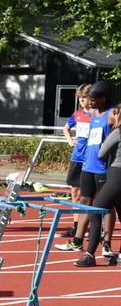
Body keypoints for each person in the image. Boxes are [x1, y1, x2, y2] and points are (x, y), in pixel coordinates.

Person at [56, 81, 114, 256]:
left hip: (103, 168)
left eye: (93, 100)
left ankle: (107, 244)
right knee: (84, 202)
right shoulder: (92, 112)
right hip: (88, 165)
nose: (89, 103)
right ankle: (77, 241)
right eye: (88, 99)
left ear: (104, 98)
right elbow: (74, 121)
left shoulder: (112, 114)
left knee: (106, 206)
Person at [75, 100, 121, 267]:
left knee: (95, 212)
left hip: (117, 175)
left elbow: (101, 153)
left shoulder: (117, 132)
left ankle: (89, 255)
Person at [59, 84, 92, 238]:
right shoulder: (77, 114)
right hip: (77, 158)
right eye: (80, 98)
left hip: (91, 159)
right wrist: (69, 140)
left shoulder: (98, 115)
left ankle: (94, 227)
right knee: (75, 192)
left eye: (84, 97)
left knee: (92, 195)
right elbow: (65, 128)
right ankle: (76, 226)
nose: (81, 101)